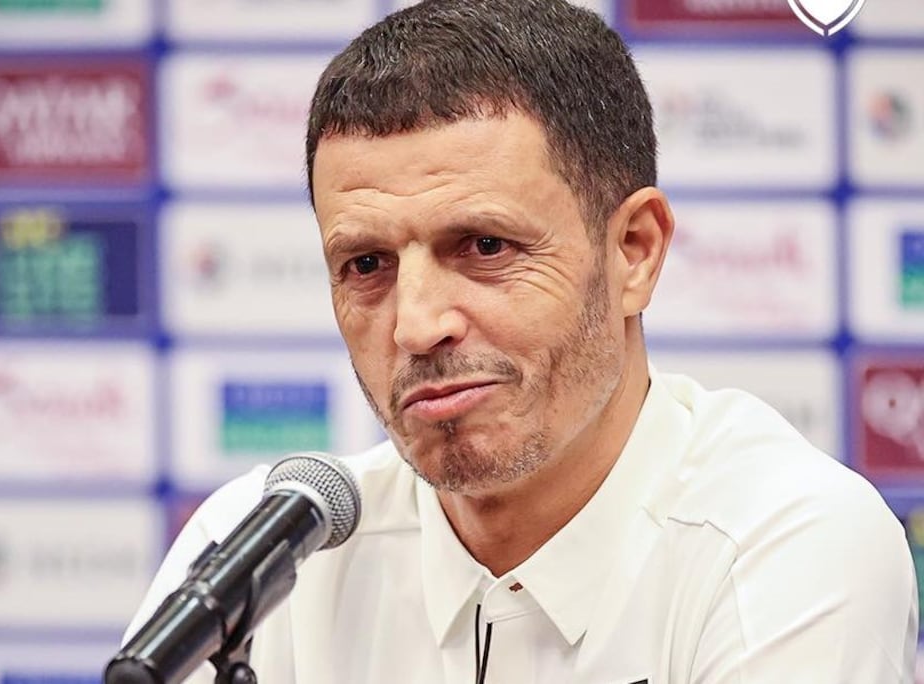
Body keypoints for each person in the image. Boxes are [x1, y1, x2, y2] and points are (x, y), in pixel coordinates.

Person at [125, 0, 919, 681]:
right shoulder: (263, 562)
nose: (416, 325)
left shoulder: (787, 542)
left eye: (485, 246)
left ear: (634, 251)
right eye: (366, 265)